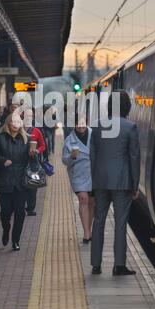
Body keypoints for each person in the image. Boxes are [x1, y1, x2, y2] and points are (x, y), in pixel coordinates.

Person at [90, 90, 140, 276]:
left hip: (101, 181)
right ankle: (119, 265)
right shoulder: (130, 127)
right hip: (122, 182)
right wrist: (135, 185)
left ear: (109, 105)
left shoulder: (96, 127)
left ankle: (96, 264)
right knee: (120, 223)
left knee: (99, 221)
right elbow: (134, 158)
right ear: (127, 106)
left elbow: (92, 157)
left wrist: (93, 184)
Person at [0, 112, 29, 251]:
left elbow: (34, 161)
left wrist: (34, 155)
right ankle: (6, 229)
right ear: (7, 123)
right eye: (12, 121)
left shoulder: (26, 139)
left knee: (20, 212)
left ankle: (16, 240)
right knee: (5, 211)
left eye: (17, 121)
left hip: (21, 182)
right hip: (4, 181)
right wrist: (2, 161)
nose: (14, 124)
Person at [62, 114, 95, 243]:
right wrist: (72, 156)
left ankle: (89, 228)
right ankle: (86, 232)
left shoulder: (94, 135)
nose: (81, 126)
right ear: (75, 125)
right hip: (78, 174)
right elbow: (64, 161)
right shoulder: (69, 140)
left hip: (93, 174)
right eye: (78, 124)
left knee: (92, 202)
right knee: (83, 199)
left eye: (83, 123)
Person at [23, 108, 46, 216]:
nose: (28, 118)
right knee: (20, 185)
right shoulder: (16, 129)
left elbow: (43, 145)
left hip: (33, 162)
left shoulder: (36, 131)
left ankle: (30, 208)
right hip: (20, 162)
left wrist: (37, 150)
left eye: (30, 116)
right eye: (25, 116)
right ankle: (20, 206)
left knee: (33, 186)